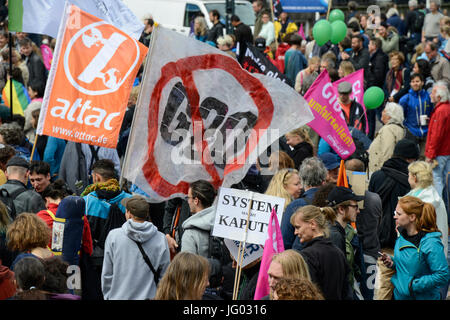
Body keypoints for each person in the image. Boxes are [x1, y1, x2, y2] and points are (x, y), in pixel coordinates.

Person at [369, 139, 419, 300]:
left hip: (381, 238)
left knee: (384, 282)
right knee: (406, 283)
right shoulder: (411, 180)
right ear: (411, 159)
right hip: (406, 240)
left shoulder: (377, 176)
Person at [380, 196, 450, 300]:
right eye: (395, 212)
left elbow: (442, 275)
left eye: (398, 214)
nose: (395, 217)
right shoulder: (401, 236)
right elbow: (410, 267)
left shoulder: (431, 243)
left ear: (412, 217)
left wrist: (414, 285)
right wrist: (393, 262)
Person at [101, 195, 170, 300]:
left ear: (128, 214)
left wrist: (108, 296)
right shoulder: (160, 238)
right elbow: (165, 275)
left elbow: (107, 274)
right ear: (146, 214)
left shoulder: (114, 236)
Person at [81, 159, 132, 300]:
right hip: (124, 259)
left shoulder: (86, 201)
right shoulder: (129, 201)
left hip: (95, 261)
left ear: (96, 177)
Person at [290, 205, 351, 300]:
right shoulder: (338, 252)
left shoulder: (308, 256)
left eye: (298, 227)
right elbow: (346, 291)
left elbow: (306, 293)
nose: (295, 232)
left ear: (313, 224)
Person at [322, 186, 365, 299]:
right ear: (341, 209)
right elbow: (336, 277)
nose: (358, 211)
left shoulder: (336, 231)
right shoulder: (334, 235)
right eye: (355, 207)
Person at [281, 157, 327, 250]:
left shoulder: (296, 206)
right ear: (324, 178)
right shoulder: (334, 201)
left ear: (302, 180)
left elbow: (284, 242)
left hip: (301, 260)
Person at [406, 161, 448, 257]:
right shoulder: (433, 195)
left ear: (414, 178)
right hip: (435, 252)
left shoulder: (421, 201)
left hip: (423, 253)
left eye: (408, 175)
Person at [425, 81, 450, 200]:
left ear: (439, 97)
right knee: (445, 181)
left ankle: (438, 209)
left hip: (440, 153)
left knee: (437, 181)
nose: (431, 95)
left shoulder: (440, 111)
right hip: (446, 152)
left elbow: (437, 135)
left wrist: (430, 154)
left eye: (433, 93)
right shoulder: (447, 108)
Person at [399, 73, 433, 156]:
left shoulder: (428, 97)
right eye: (413, 81)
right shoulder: (405, 99)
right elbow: (400, 117)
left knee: (424, 157)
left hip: (426, 131)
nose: (415, 83)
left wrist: (430, 120)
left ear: (422, 82)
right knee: (411, 157)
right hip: (411, 131)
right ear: (410, 83)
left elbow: (432, 112)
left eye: (417, 81)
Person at [181, 180, 216, 257]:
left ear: (196, 201)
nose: (188, 201)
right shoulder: (223, 224)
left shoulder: (190, 234)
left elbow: (187, 267)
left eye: (188, 197)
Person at [368, 102, 406, 173]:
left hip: (380, 171)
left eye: (384, 111)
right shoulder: (398, 128)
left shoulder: (388, 129)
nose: (382, 112)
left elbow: (387, 152)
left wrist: (381, 172)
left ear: (389, 116)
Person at [366, 37, 389, 138]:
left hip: (376, 91)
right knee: (371, 116)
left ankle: (385, 135)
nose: (368, 46)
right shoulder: (373, 56)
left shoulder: (379, 58)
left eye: (370, 44)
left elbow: (378, 76)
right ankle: (370, 137)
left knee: (380, 116)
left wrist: (369, 82)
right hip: (372, 90)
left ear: (374, 46)